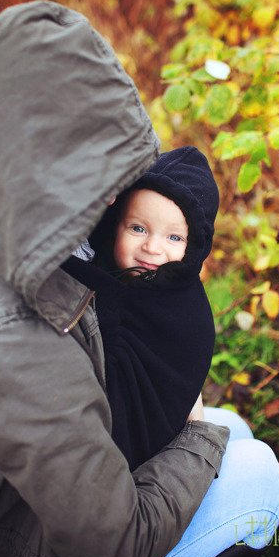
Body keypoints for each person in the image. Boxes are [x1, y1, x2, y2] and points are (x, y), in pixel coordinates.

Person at [0, 0, 279, 557]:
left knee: (235, 431)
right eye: (93, 176)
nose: (112, 199)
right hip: (1, 540)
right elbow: (114, 548)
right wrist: (201, 435)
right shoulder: (11, 341)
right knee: (255, 471)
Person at [62, 145, 220, 471]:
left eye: (174, 238)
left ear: (194, 248)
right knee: (251, 455)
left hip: (168, 432)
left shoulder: (185, 307)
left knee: (238, 428)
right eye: (138, 228)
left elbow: (178, 367)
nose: (151, 247)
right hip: (125, 472)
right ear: (115, 225)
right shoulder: (94, 280)